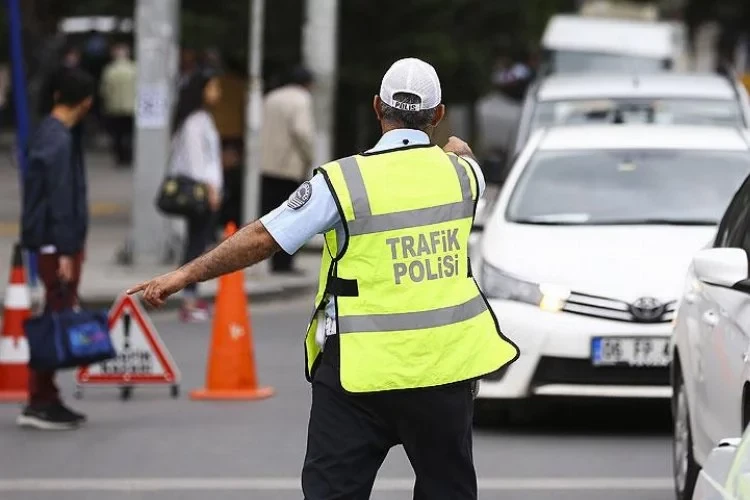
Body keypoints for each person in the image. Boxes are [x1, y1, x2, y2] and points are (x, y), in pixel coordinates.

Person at [127, 57, 520, 499]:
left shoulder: (343, 181)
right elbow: (463, 158)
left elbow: (262, 237)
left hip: (359, 374)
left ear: (377, 107)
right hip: (444, 372)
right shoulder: (465, 176)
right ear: (439, 114)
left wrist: (183, 275)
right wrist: (455, 151)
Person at [19, 68, 95, 430]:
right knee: (55, 317)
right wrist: (67, 251)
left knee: (55, 313)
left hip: (51, 242)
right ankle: (40, 399)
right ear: (86, 102)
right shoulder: (59, 140)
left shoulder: (47, 133)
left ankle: (45, 396)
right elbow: (60, 200)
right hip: (56, 245)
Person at [168, 70, 224, 323]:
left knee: (198, 242)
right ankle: (189, 299)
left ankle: (191, 295)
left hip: (206, 190)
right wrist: (211, 189)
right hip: (200, 192)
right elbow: (196, 162)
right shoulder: (194, 121)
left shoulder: (202, 118)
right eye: (213, 87)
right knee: (196, 244)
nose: (217, 93)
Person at [259, 65, 315, 274]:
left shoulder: (271, 97)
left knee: (271, 215)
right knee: (292, 215)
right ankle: (285, 263)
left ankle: (273, 261)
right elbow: (302, 131)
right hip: (289, 166)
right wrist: (308, 156)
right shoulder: (301, 100)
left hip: (267, 164)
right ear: (308, 83)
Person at [100, 44, 136, 166]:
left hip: (114, 107)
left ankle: (120, 156)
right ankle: (129, 155)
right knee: (130, 133)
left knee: (117, 134)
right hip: (131, 107)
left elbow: (105, 90)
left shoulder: (110, 70)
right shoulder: (134, 69)